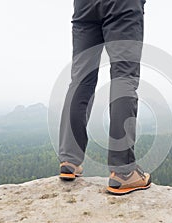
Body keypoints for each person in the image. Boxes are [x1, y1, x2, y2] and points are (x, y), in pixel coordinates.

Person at [58, 0, 151, 195]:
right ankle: (123, 171)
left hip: (85, 6)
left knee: (80, 79)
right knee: (124, 77)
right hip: (123, 5)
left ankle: (69, 161)